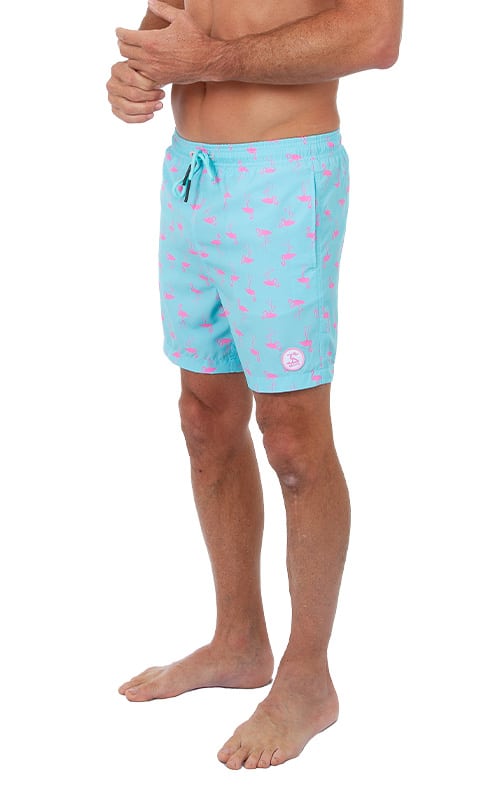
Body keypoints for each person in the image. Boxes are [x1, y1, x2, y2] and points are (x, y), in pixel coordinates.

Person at [107, 0, 403, 770]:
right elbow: (171, 18)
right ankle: (238, 641)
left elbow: (376, 36)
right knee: (204, 418)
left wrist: (210, 61)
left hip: (283, 176)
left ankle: (308, 682)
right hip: (190, 173)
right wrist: (139, 73)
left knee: (294, 440)